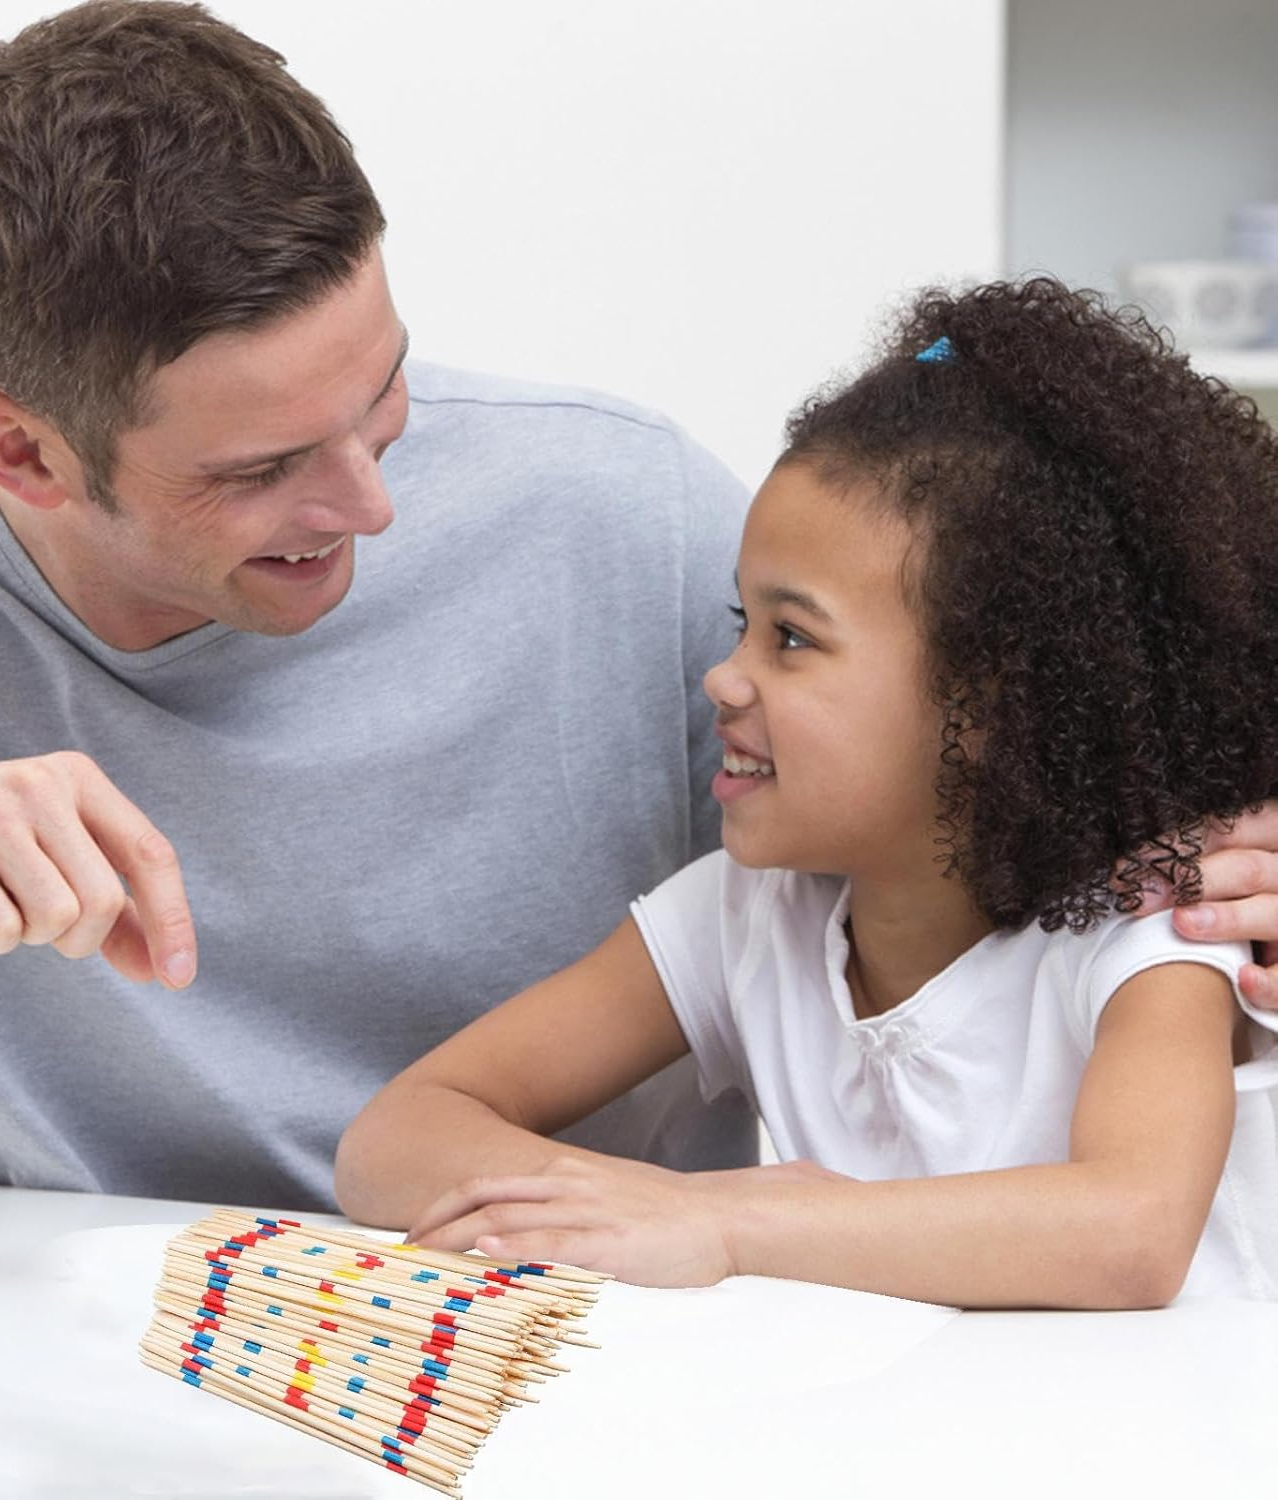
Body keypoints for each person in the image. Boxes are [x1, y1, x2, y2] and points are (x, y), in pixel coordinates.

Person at [0, 0, 755, 1205]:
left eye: (385, 392)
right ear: (21, 452)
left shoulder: (640, 521)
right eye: (261, 470)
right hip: (41, 1356)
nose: (368, 506)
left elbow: (949, 960)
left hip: (557, 1341)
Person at [336, 278, 1278, 1307]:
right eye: (742, 622)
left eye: (791, 638)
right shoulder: (741, 921)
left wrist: (722, 1219)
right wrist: (620, 1202)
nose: (724, 677)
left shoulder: (1150, 926)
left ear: (998, 700)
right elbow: (394, 1137)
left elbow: (1129, 1234)